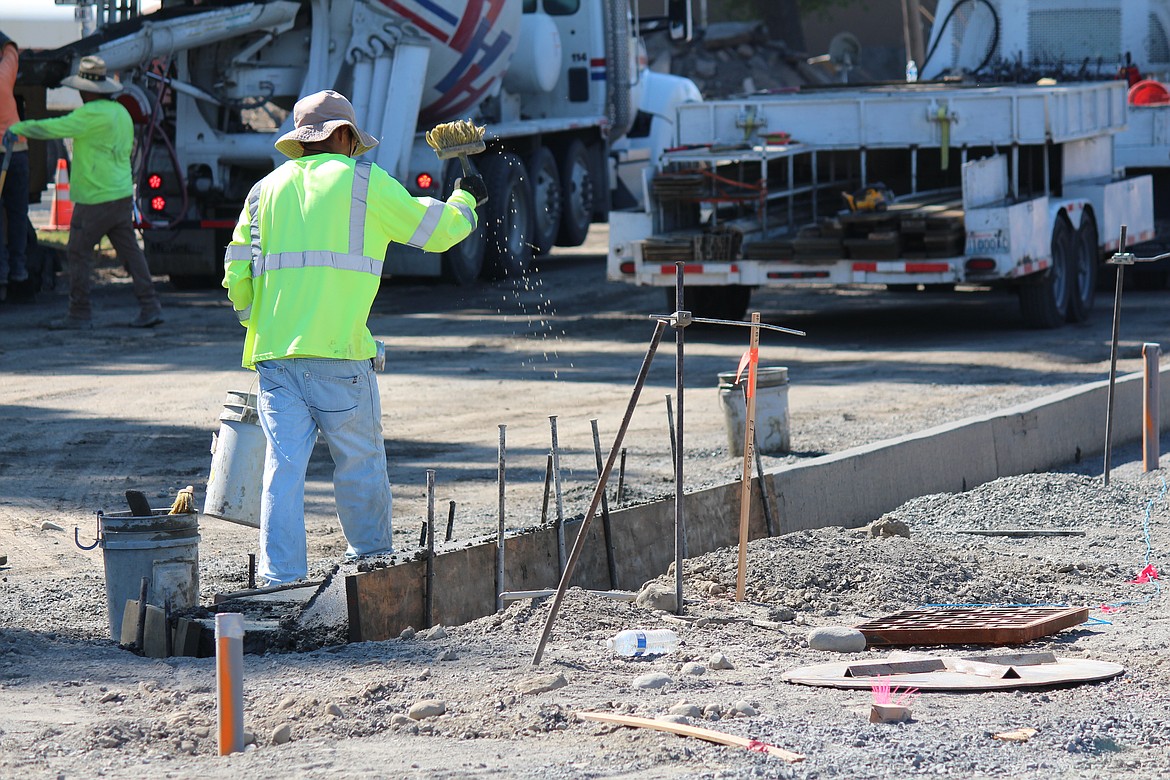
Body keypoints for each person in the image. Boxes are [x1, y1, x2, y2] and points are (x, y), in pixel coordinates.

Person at [223, 89, 485, 586]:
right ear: (344, 135)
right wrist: (466, 196)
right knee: (359, 466)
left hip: (276, 358)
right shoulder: (364, 183)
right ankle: (370, 569)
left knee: (282, 472)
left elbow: (237, 272)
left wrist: (260, 323)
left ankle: (283, 583)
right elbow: (438, 232)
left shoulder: (263, 191)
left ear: (303, 141)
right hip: (341, 356)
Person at [10, 55, 163, 329]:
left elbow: (50, 128)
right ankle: (150, 305)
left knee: (78, 252)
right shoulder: (121, 113)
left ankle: (79, 312)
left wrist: (16, 129)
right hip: (120, 195)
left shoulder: (88, 115)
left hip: (94, 198)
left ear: (86, 90)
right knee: (131, 253)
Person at [0, 31, 29, 300]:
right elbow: (12, 50)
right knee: (18, 215)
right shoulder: (4, 75)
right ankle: (18, 270)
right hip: (16, 152)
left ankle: (1, 275)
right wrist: (5, 42)